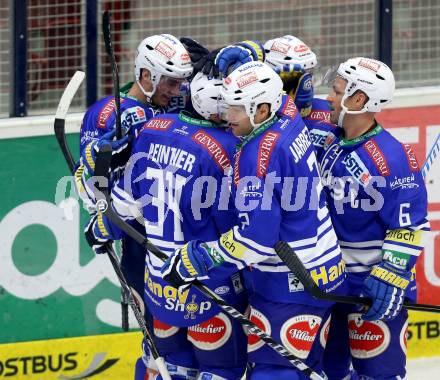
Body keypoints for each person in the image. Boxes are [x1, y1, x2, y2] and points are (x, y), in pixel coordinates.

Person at [160, 61, 347, 379]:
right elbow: (281, 94)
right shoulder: (288, 118)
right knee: (306, 369)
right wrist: (248, 60)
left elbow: (256, 238)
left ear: (261, 110)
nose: (226, 115)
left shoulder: (255, 157)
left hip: (290, 286)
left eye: (236, 108)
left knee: (274, 370)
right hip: (324, 270)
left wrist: (202, 258)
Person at [85, 72, 248, 380]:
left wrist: (102, 226)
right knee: (221, 372)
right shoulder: (230, 147)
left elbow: (123, 205)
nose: (236, 112)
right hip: (209, 291)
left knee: (171, 371)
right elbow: (238, 229)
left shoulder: (152, 129)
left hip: (161, 292)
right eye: (232, 106)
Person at [76, 33, 193, 379]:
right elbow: (89, 190)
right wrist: (104, 160)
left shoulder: (179, 103)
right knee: (157, 343)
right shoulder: (107, 115)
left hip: (183, 234)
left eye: (181, 82)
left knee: (194, 343)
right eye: (171, 82)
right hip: (139, 240)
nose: (178, 90)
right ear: (146, 76)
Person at [318, 57, 429, 379]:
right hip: (332, 283)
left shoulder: (391, 157)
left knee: (377, 374)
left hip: (372, 288)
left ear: (359, 100)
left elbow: (410, 225)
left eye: (337, 92)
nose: (330, 97)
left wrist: (391, 274)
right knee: (330, 372)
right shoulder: (333, 140)